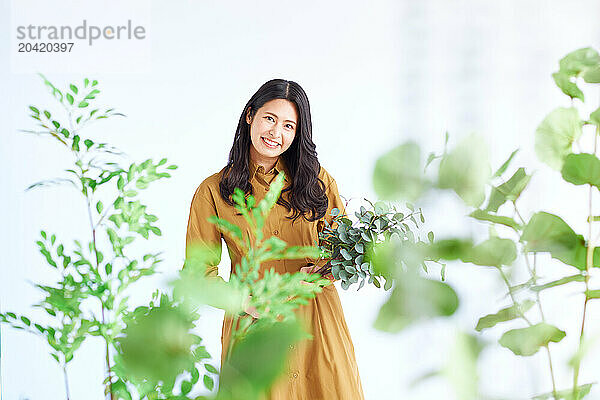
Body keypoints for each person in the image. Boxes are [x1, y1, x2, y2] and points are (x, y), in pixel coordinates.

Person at [185, 78, 365, 399]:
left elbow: (345, 252)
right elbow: (199, 274)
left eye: (289, 126)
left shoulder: (318, 182)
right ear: (250, 116)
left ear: (298, 134)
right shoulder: (213, 192)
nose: (276, 133)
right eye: (270, 119)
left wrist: (323, 271)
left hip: (318, 327)